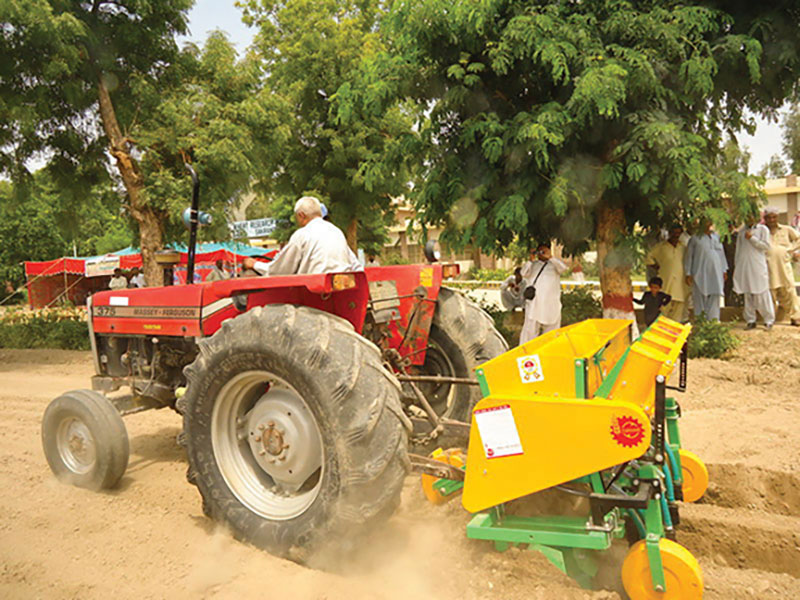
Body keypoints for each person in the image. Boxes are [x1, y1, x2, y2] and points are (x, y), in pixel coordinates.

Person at [242, 196, 362, 276]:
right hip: (342, 289)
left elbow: (280, 271)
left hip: (312, 294)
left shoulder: (302, 235)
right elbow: (355, 265)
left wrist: (254, 264)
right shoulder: (337, 232)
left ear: (301, 215)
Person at [519, 243, 568, 343]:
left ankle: (548, 353)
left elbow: (563, 269)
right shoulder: (533, 265)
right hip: (535, 304)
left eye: (544, 251)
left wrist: (551, 257)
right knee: (529, 331)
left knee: (551, 332)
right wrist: (530, 260)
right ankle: (526, 354)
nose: (542, 254)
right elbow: (523, 273)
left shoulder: (554, 265)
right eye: (540, 252)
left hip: (550, 304)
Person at [733, 218, 774, 330]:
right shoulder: (742, 231)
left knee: (761, 293)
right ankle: (750, 320)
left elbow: (766, 246)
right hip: (744, 266)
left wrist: (752, 238)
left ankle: (768, 320)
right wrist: (737, 266)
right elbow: (738, 250)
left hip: (757, 266)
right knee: (748, 294)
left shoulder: (763, 229)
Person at [684, 220, 728, 320]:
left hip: (716, 272)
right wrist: (688, 273)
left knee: (715, 295)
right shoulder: (695, 238)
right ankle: (701, 321)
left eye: (709, 221)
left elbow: (721, 254)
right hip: (699, 271)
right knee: (699, 296)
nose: (707, 224)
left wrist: (724, 269)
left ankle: (713, 321)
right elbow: (689, 256)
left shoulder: (716, 237)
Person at [764, 207, 800, 326]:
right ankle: (770, 319)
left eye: (774, 217)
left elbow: (798, 239)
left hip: (784, 267)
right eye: (769, 217)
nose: (771, 220)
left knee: (790, 291)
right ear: (765, 219)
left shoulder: (786, 229)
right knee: (771, 292)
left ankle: (796, 317)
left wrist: (790, 250)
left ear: (777, 217)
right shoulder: (762, 231)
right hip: (768, 267)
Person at [645, 225, 689, 322]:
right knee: (663, 314)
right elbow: (648, 258)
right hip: (665, 284)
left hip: (680, 286)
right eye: (674, 232)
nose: (676, 235)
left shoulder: (684, 248)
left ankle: (674, 335)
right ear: (669, 233)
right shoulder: (660, 247)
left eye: (678, 233)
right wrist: (656, 267)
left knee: (677, 315)